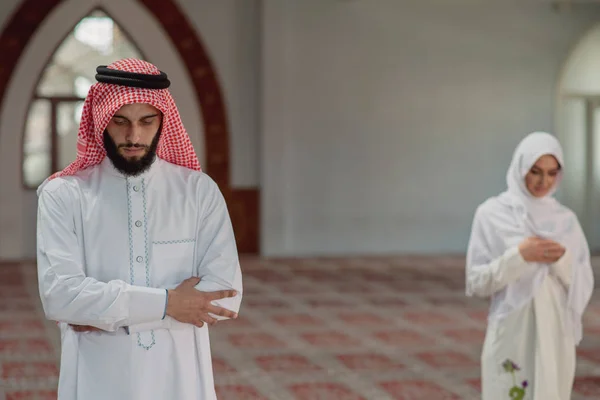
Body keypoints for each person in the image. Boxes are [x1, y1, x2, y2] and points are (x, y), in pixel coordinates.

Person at [36, 58, 243, 400]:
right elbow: (61, 297)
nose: (134, 135)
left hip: (180, 379)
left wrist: (106, 315)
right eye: (120, 122)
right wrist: (171, 304)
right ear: (102, 121)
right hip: (97, 378)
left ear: (163, 122)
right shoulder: (63, 194)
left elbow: (225, 296)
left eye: (147, 122)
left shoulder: (198, 190)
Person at [465, 132, 594, 400]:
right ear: (520, 168)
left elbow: (583, 281)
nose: (543, 181)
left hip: (556, 330)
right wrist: (520, 256)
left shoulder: (566, 220)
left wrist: (560, 260)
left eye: (551, 173)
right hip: (514, 328)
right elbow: (476, 281)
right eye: (535, 172)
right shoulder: (491, 214)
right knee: (510, 391)